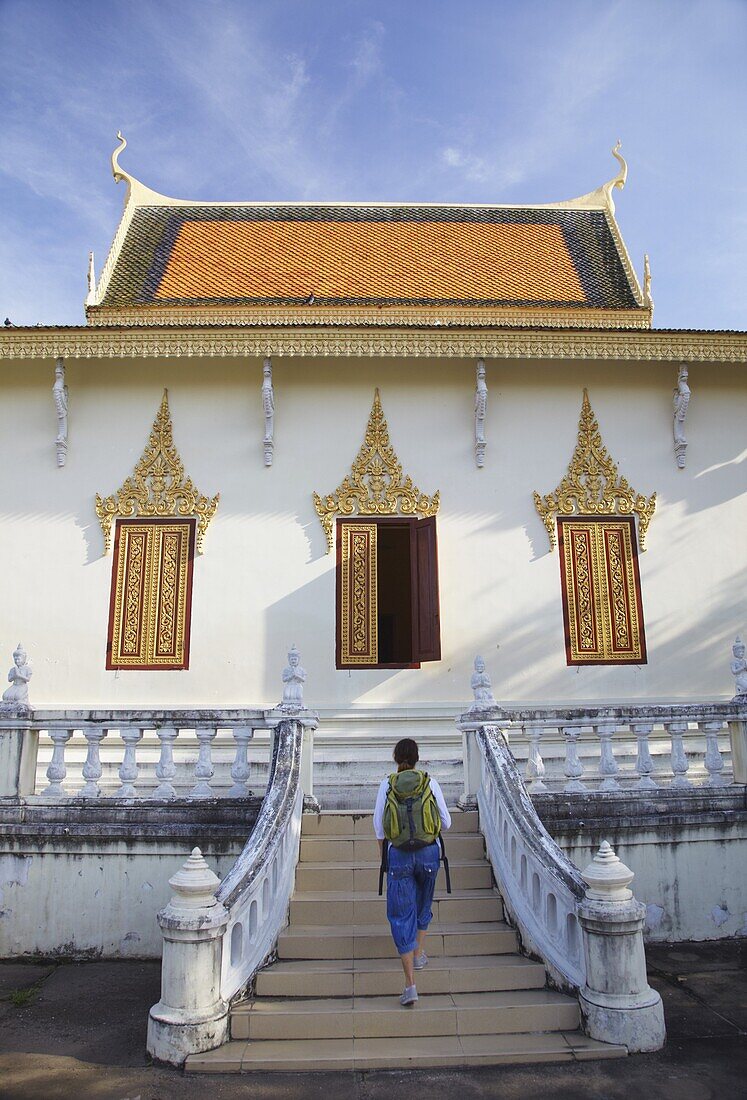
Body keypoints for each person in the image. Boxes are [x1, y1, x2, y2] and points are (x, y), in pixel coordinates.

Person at [373, 738, 451, 1007]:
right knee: (423, 905)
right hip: (429, 852)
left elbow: (379, 829)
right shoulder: (430, 782)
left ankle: (410, 985)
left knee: (399, 916)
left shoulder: (387, 784)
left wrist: (384, 857)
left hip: (399, 855)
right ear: (418, 757)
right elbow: (446, 822)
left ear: (396, 758)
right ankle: (419, 953)